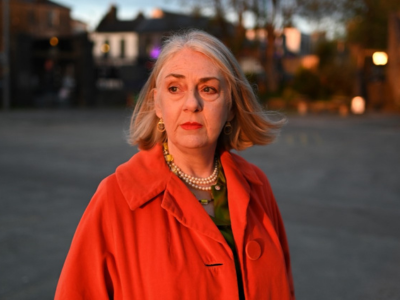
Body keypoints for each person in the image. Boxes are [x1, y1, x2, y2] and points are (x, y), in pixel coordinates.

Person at [55, 30, 295, 300]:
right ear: (158, 103)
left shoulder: (257, 186)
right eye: (174, 88)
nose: (192, 103)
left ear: (230, 106)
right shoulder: (116, 198)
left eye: (208, 89)